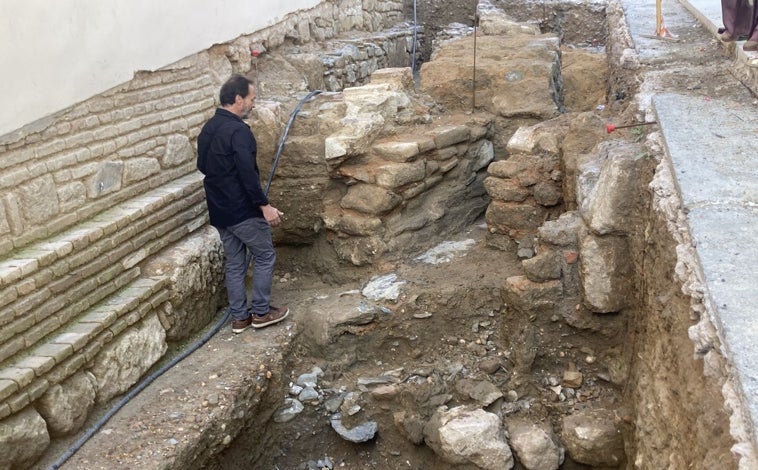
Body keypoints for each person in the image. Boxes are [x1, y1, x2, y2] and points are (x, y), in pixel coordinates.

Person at [197, 74, 289, 333]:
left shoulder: (208, 128)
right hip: (242, 210)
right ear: (238, 99)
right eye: (251, 99)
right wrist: (264, 206)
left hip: (219, 210)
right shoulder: (239, 131)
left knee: (236, 262)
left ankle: (239, 318)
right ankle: (261, 312)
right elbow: (247, 174)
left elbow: (202, 166)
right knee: (264, 254)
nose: (253, 104)